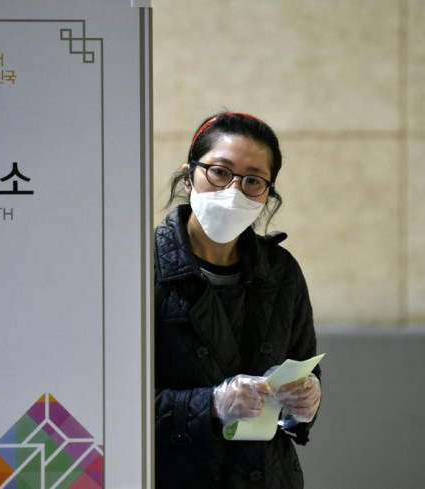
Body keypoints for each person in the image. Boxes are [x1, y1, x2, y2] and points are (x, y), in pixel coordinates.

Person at [154, 112, 321, 488]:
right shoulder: (140, 268)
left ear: (267, 194)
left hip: (267, 476)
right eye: (219, 172)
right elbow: (112, 404)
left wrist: (306, 401)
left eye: (252, 180)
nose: (233, 191)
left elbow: (302, 365)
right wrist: (212, 404)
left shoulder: (281, 272)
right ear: (188, 176)